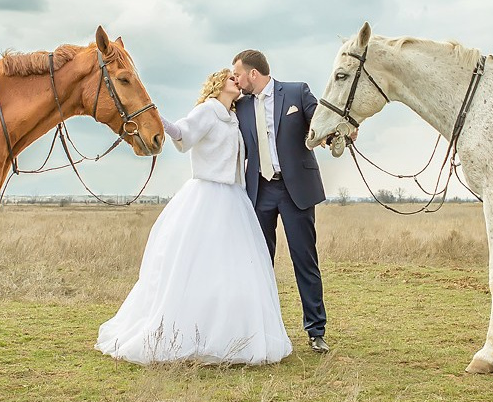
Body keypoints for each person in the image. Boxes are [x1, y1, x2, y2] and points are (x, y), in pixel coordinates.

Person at [96, 69, 293, 365]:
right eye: (231, 79)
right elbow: (182, 133)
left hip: (234, 197)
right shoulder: (208, 110)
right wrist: (155, 118)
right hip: (208, 195)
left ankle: (231, 335)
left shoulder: (234, 117)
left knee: (233, 267)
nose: (237, 82)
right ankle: (185, 335)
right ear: (218, 85)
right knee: (198, 265)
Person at [231, 49, 329, 353]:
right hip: (260, 191)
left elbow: (322, 122)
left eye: (237, 74)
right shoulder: (240, 106)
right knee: (260, 262)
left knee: (305, 260)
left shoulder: (297, 92)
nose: (235, 80)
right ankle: (262, 328)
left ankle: (316, 330)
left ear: (253, 73)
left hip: (295, 189)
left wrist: (336, 135)